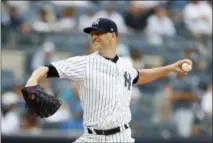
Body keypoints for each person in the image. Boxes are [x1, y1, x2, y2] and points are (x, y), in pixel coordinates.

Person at [24, 18, 192, 142]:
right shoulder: (84, 63)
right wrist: (32, 81)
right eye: (92, 34)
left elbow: (139, 76)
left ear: (113, 36)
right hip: (92, 137)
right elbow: (46, 69)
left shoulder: (126, 64)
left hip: (122, 137)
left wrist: (170, 68)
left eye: (99, 33)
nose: (94, 37)